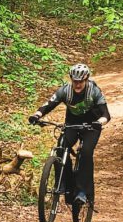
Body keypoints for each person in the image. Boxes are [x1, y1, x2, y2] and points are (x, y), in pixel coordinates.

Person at [29, 63, 111, 205]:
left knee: (85, 152)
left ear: (86, 80)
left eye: (80, 82)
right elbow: (49, 103)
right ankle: (64, 184)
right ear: (71, 80)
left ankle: (82, 191)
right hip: (72, 125)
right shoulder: (65, 91)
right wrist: (37, 115)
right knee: (61, 148)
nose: (78, 85)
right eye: (75, 81)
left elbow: (106, 114)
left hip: (92, 126)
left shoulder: (94, 91)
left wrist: (100, 122)